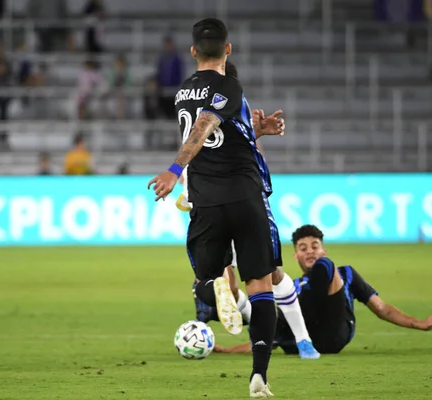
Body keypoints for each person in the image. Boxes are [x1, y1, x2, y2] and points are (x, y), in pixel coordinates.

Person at [148, 19, 283, 398]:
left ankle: (218, 288)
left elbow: (215, 134)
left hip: (207, 201)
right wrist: (174, 168)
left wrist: (257, 130)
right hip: (245, 195)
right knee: (261, 287)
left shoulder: (180, 95)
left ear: (193, 52)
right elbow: (207, 125)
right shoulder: (230, 85)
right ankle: (259, 377)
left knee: (204, 280)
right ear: (229, 49)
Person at [176, 61, 319, 361]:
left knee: (219, 278)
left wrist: (256, 131)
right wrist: (256, 133)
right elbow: (243, 158)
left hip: (208, 203)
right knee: (270, 275)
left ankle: (254, 316)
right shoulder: (229, 105)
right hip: (243, 202)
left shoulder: (195, 106)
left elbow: (212, 146)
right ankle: (295, 338)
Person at [214, 224, 432, 356]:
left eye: (315, 246)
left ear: (323, 250)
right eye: (303, 248)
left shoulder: (345, 273)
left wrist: (418, 323)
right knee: (279, 312)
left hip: (334, 333)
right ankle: (237, 285)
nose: (310, 251)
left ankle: (244, 291)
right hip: (301, 341)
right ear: (295, 255)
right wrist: (225, 350)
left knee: (324, 272)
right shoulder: (294, 288)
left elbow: (381, 308)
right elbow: (270, 338)